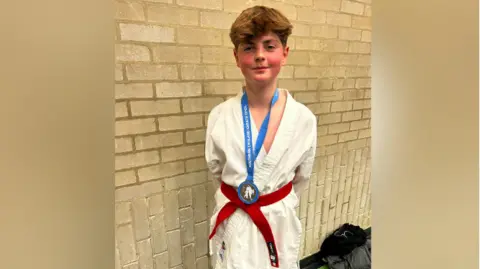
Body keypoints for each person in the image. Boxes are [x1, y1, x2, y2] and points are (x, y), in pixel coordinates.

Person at [205, 5, 317, 269]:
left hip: (277, 219)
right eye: (248, 48)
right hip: (235, 218)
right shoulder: (219, 116)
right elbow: (216, 172)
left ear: (285, 53)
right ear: (236, 57)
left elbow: (301, 178)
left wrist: (272, 202)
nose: (259, 56)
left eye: (269, 46)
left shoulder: (303, 119)